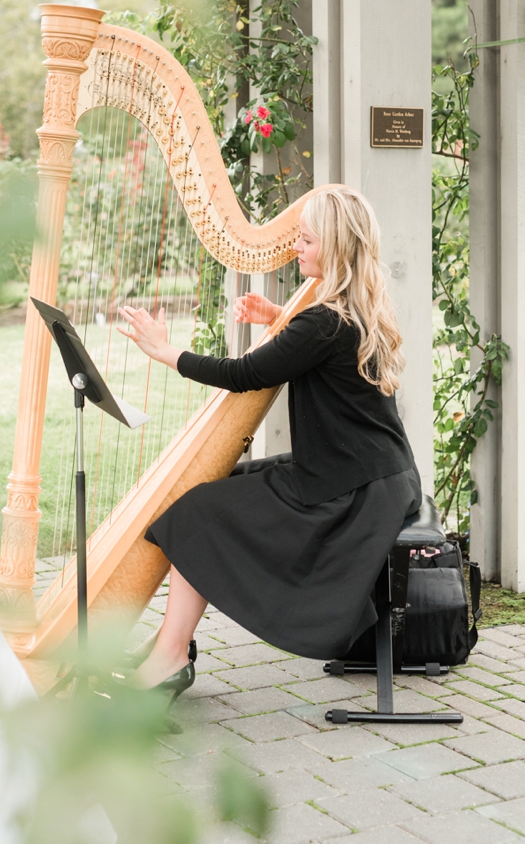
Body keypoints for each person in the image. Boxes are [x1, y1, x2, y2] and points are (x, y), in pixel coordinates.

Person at [114, 184, 420, 696]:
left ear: (336, 247)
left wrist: (162, 350)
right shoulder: (352, 310)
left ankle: (169, 656)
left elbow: (242, 374)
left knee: (196, 513)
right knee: (218, 487)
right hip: (374, 477)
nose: (295, 249)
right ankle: (174, 640)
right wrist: (277, 317)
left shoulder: (323, 323)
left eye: (305, 240)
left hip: (351, 496)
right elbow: (318, 353)